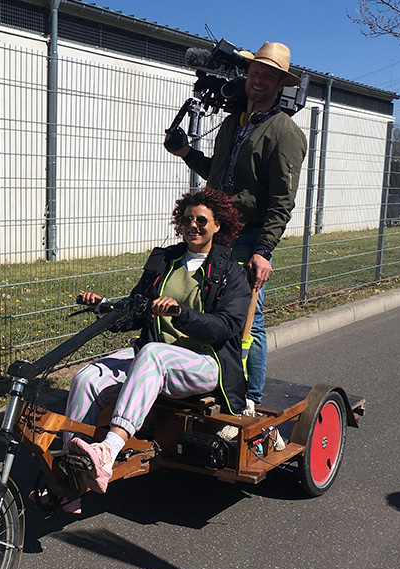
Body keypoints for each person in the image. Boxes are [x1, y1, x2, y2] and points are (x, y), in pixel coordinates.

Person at [65, 187, 251, 496]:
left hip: (205, 362)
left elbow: (225, 328)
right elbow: (138, 308)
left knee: (153, 354)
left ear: (218, 225)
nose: (193, 226)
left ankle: (108, 451)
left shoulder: (231, 273)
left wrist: (181, 313)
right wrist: (104, 306)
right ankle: (71, 471)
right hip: (153, 356)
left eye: (202, 220)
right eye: (187, 219)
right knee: (87, 378)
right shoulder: (165, 261)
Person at [166, 41, 307, 417]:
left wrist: (264, 251)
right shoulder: (235, 123)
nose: (258, 79)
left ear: (280, 85)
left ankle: (251, 399)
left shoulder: (285, 133)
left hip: (250, 238)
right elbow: (217, 175)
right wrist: (185, 153)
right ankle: (214, 378)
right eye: (255, 72)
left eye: (269, 76)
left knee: (249, 318)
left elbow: (282, 199)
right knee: (210, 307)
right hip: (220, 233)